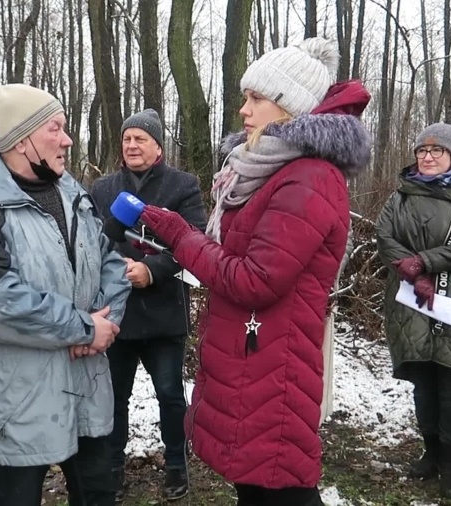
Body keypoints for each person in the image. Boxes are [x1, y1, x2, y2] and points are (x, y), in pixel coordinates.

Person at [133, 38, 371, 505]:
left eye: (256, 99)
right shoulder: (266, 171)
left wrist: (182, 236)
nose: (244, 110)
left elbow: (254, 279)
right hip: (252, 357)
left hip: (274, 365)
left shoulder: (310, 178)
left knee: (279, 488)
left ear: (289, 107)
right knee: (257, 486)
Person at [0, 83, 131, 506]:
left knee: (99, 493)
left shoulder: (74, 192)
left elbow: (112, 263)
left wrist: (105, 324)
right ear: (22, 139)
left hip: (87, 385)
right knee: (17, 498)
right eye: (56, 128)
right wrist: (84, 329)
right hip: (21, 398)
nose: (67, 139)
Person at [90, 108, 207, 502]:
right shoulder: (102, 189)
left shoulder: (183, 186)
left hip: (163, 314)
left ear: (158, 147)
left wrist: (152, 270)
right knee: (113, 398)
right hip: (116, 316)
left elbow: (195, 243)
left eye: (141, 138)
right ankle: (112, 468)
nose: (132, 145)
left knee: (171, 395)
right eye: (126, 139)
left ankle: (177, 465)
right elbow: (89, 244)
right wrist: (112, 266)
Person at [375, 123, 451, 499]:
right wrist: (409, 270)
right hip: (411, 300)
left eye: (437, 151)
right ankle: (430, 451)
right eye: (422, 151)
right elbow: (385, 237)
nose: (427, 156)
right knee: (423, 378)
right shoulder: (400, 197)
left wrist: (422, 262)